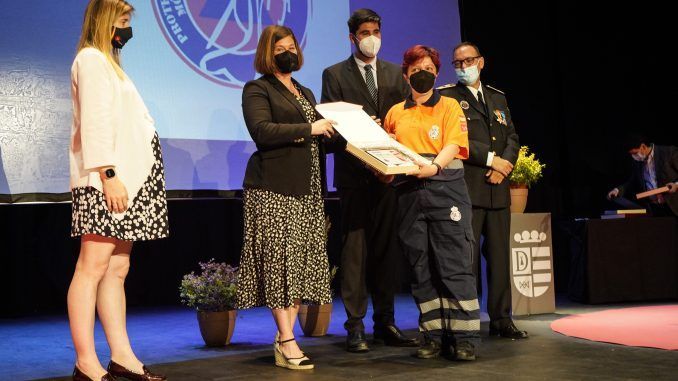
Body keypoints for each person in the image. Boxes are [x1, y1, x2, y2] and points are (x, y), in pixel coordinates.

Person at [68, 1, 169, 380]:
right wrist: (108, 174)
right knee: (91, 267)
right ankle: (86, 362)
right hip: (105, 181)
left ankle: (122, 356)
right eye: (123, 20)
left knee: (117, 267)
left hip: (130, 181)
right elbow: (95, 122)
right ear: (106, 19)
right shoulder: (91, 59)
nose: (127, 28)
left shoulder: (109, 64)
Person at [237, 25, 336, 371]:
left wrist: (354, 127)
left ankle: (284, 339)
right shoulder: (257, 89)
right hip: (274, 190)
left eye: (291, 46)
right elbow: (262, 131)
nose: (288, 52)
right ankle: (288, 339)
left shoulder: (304, 92)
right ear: (268, 52)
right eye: (280, 47)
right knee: (281, 266)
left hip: (308, 192)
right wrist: (310, 129)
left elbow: (327, 137)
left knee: (299, 267)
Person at [321, 8, 416, 353]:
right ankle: (355, 326)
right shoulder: (334, 74)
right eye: (364, 32)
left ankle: (385, 323)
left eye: (375, 30)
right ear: (352, 37)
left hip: (389, 177)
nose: (371, 37)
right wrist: (360, 129)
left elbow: (405, 123)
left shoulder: (394, 73)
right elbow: (330, 128)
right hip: (354, 176)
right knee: (355, 253)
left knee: (386, 252)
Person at [383, 45, 481, 361]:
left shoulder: (450, 105)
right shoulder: (395, 113)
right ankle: (433, 335)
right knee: (420, 266)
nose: (421, 73)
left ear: (437, 72)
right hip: (408, 193)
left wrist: (434, 167)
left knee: (453, 264)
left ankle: (463, 338)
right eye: (415, 69)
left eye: (427, 68)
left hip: (445, 188)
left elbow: (453, 144)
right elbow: (386, 153)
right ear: (405, 74)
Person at [438, 42, 527, 340]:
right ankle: (468, 318)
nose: (464, 67)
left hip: (498, 188)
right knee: (468, 259)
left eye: (468, 61)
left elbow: (511, 136)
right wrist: (491, 160)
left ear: (481, 62)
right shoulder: (448, 97)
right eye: (458, 63)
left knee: (500, 258)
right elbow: (457, 140)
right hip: (468, 189)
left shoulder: (497, 97)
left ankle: (502, 319)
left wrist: (505, 165)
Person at [607, 134, 678, 216]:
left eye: (635, 153)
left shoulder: (668, 153)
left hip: (673, 206)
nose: (634, 157)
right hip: (654, 209)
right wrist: (617, 190)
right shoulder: (637, 161)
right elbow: (633, 181)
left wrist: (676, 185)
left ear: (643, 146)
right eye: (631, 154)